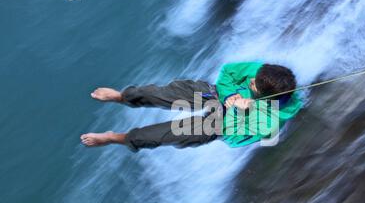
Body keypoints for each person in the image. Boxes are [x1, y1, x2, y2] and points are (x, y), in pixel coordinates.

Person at [81, 62, 303, 151]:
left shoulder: (271, 120)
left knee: (158, 136)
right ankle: (124, 97)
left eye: (252, 84)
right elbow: (228, 72)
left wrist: (246, 109)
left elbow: (246, 139)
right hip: (217, 95)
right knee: (158, 94)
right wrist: (232, 95)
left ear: (261, 94)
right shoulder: (263, 72)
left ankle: (114, 138)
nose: (250, 79)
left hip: (219, 125)